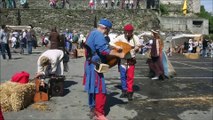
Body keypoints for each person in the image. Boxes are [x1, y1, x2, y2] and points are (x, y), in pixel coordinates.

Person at [83, 19, 125, 120]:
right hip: (95, 65)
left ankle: (92, 107)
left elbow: (104, 44)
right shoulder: (98, 34)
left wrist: (114, 47)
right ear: (106, 29)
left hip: (89, 63)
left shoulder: (92, 33)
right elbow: (103, 50)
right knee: (100, 89)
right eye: (108, 30)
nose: (108, 32)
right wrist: (118, 54)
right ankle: (99, 113)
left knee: (92, 87)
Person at [112, 24, 141, 101]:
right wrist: (118, 48)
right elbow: (111, 43)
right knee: (122, 76)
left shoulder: (135, 38)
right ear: (124, 31)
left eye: (130, 32)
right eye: (126, 32)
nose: (128, 33)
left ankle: (130, 92)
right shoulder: (120, 37)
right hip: (122, 60)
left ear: (132, 31)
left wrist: (137, 49)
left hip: (131, 60)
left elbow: (139, 48)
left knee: (130, 77)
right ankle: (124, 90)